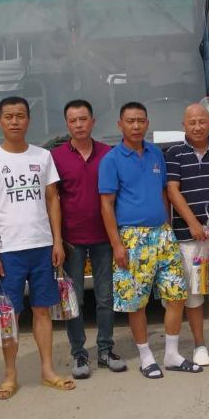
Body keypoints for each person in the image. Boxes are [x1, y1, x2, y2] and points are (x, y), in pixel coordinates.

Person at [0, 96, 76, 397]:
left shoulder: (43, 157)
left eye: (20, 116)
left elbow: (52, 200)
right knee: (10, 315)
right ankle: (10, 375)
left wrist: (57, 241)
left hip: (42, 246)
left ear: (28, 120)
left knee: (42, 311)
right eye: (9, 116)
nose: (15, 121)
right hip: (8, 251)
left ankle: (47, 370)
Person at [99, 101, 199, 379]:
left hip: (163, 234)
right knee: (136, 302)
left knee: (176, 294)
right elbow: (106, 205)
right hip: (132, 238)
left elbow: (164, 192)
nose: (136, 126)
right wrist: (117, 245)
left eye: (140, 121)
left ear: (147, 123)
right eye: (130, 121)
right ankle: (146, 357)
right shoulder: (111, 160)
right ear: (120, 125)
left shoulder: (156, 153)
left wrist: (167, 226)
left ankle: (172, 354)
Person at [50, 99, 127, 379]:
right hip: (72, 240)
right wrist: (57, 240)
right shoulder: (55, 157)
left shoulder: (109, 154)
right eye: (73, 121)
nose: (79, 125)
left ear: (93, 122)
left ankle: (105, 349)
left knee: (105, 297)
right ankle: (79, 353)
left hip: (104, 238)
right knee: (75, 299)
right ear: (67, 124)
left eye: (83, 119)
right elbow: (52, 200)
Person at [165, 103, 209, 366]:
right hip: (188, 235)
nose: (197, 126)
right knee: (193, 293)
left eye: (202, 121)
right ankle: (199, 345)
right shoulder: (174, 153)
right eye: (192, 122)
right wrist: (193, 223)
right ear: (184, 125)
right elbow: (173, 190)